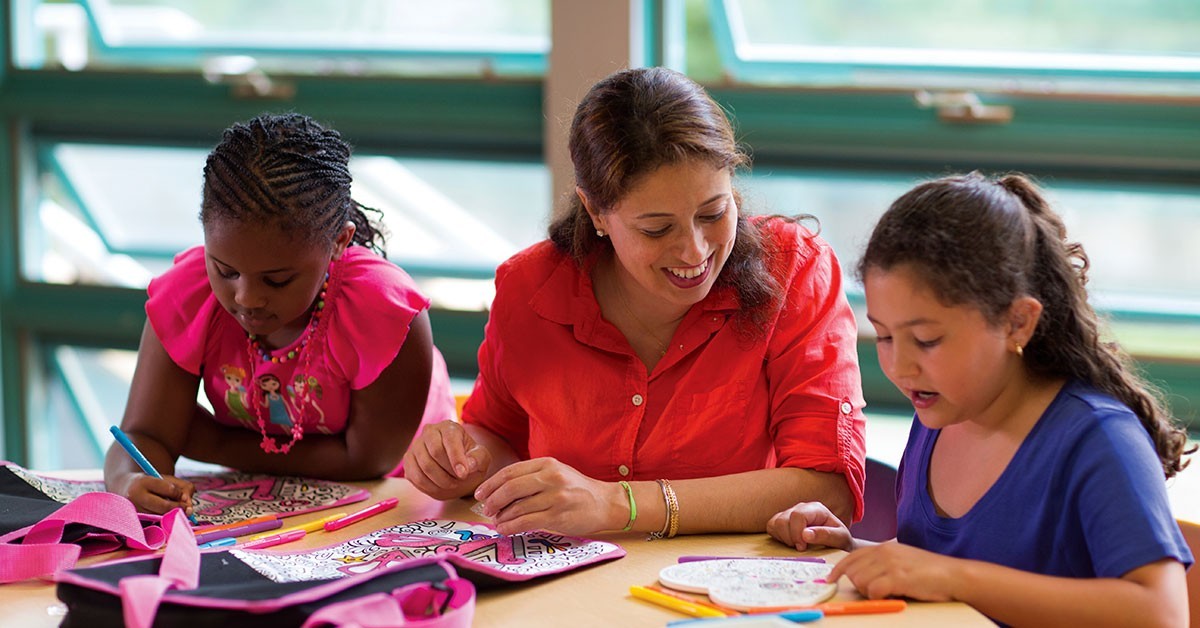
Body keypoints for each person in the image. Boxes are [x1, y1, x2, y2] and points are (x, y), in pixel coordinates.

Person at [404, 67, 867, 537]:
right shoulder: (530, 286)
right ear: (595, 212)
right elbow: (500, 438)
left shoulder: (793, 268)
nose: (694, 250)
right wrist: (462, 461)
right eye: (656, 228)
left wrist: (618, 504)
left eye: (714, 212)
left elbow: (827, 490)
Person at [767, 172, 1194, 626]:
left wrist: (953, 576)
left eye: (927, 340)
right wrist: (852, 552)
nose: (901, 367)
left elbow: (1161, 613)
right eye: (886, 337)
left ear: (1017, 323)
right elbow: (945, 569)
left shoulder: (1098, 440)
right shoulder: (941, 411)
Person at [105, 113, 456, 515]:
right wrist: (128, 481)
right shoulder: (189, 295)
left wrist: (213, 443)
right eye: (226, 270)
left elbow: (368, 462)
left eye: (277, 280)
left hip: (395, 500)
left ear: (339, 241)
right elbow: (141, 435)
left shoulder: (383, 312)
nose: (247, 298)